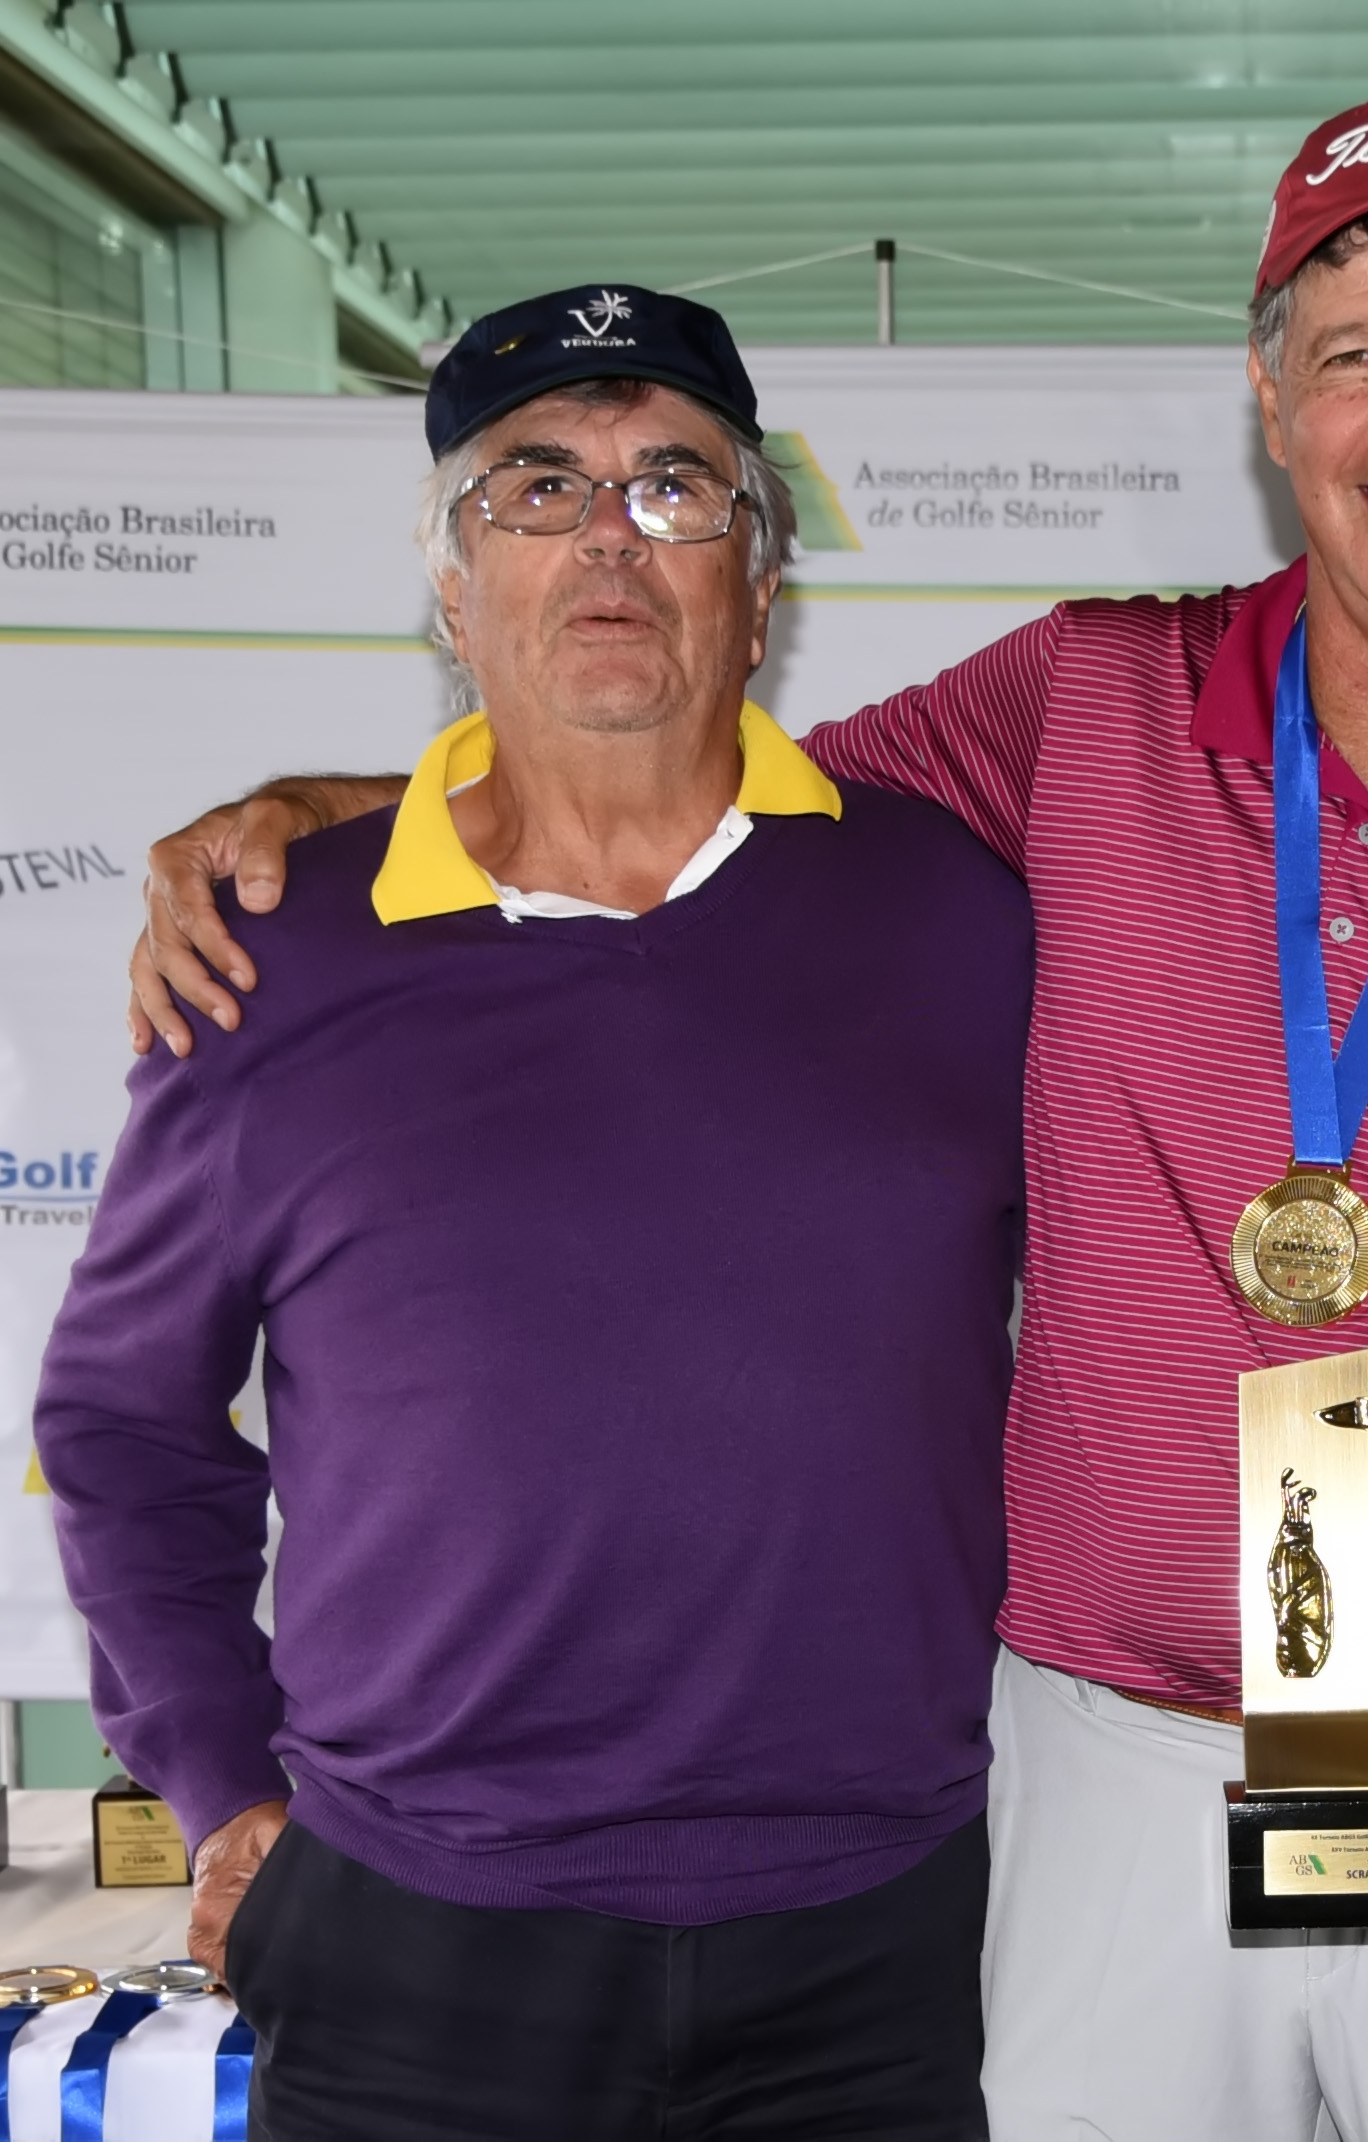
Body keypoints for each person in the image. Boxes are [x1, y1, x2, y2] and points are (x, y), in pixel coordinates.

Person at [125, 90, 1368, 2142]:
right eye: (1353, 357)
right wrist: (344, 814)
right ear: (1270, 397)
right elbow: (685, 800)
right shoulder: (1077, 708)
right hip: (1112, 1765)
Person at [42, 287, 1031, 2137]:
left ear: (763, 571)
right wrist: (219, 1780)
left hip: (891, 1931)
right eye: (535, 487)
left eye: (675, 484)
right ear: (446, 582)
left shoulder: (962, 915)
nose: (607, 535)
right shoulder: (271, 954)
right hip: (417, 1938)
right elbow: (118, 1414)